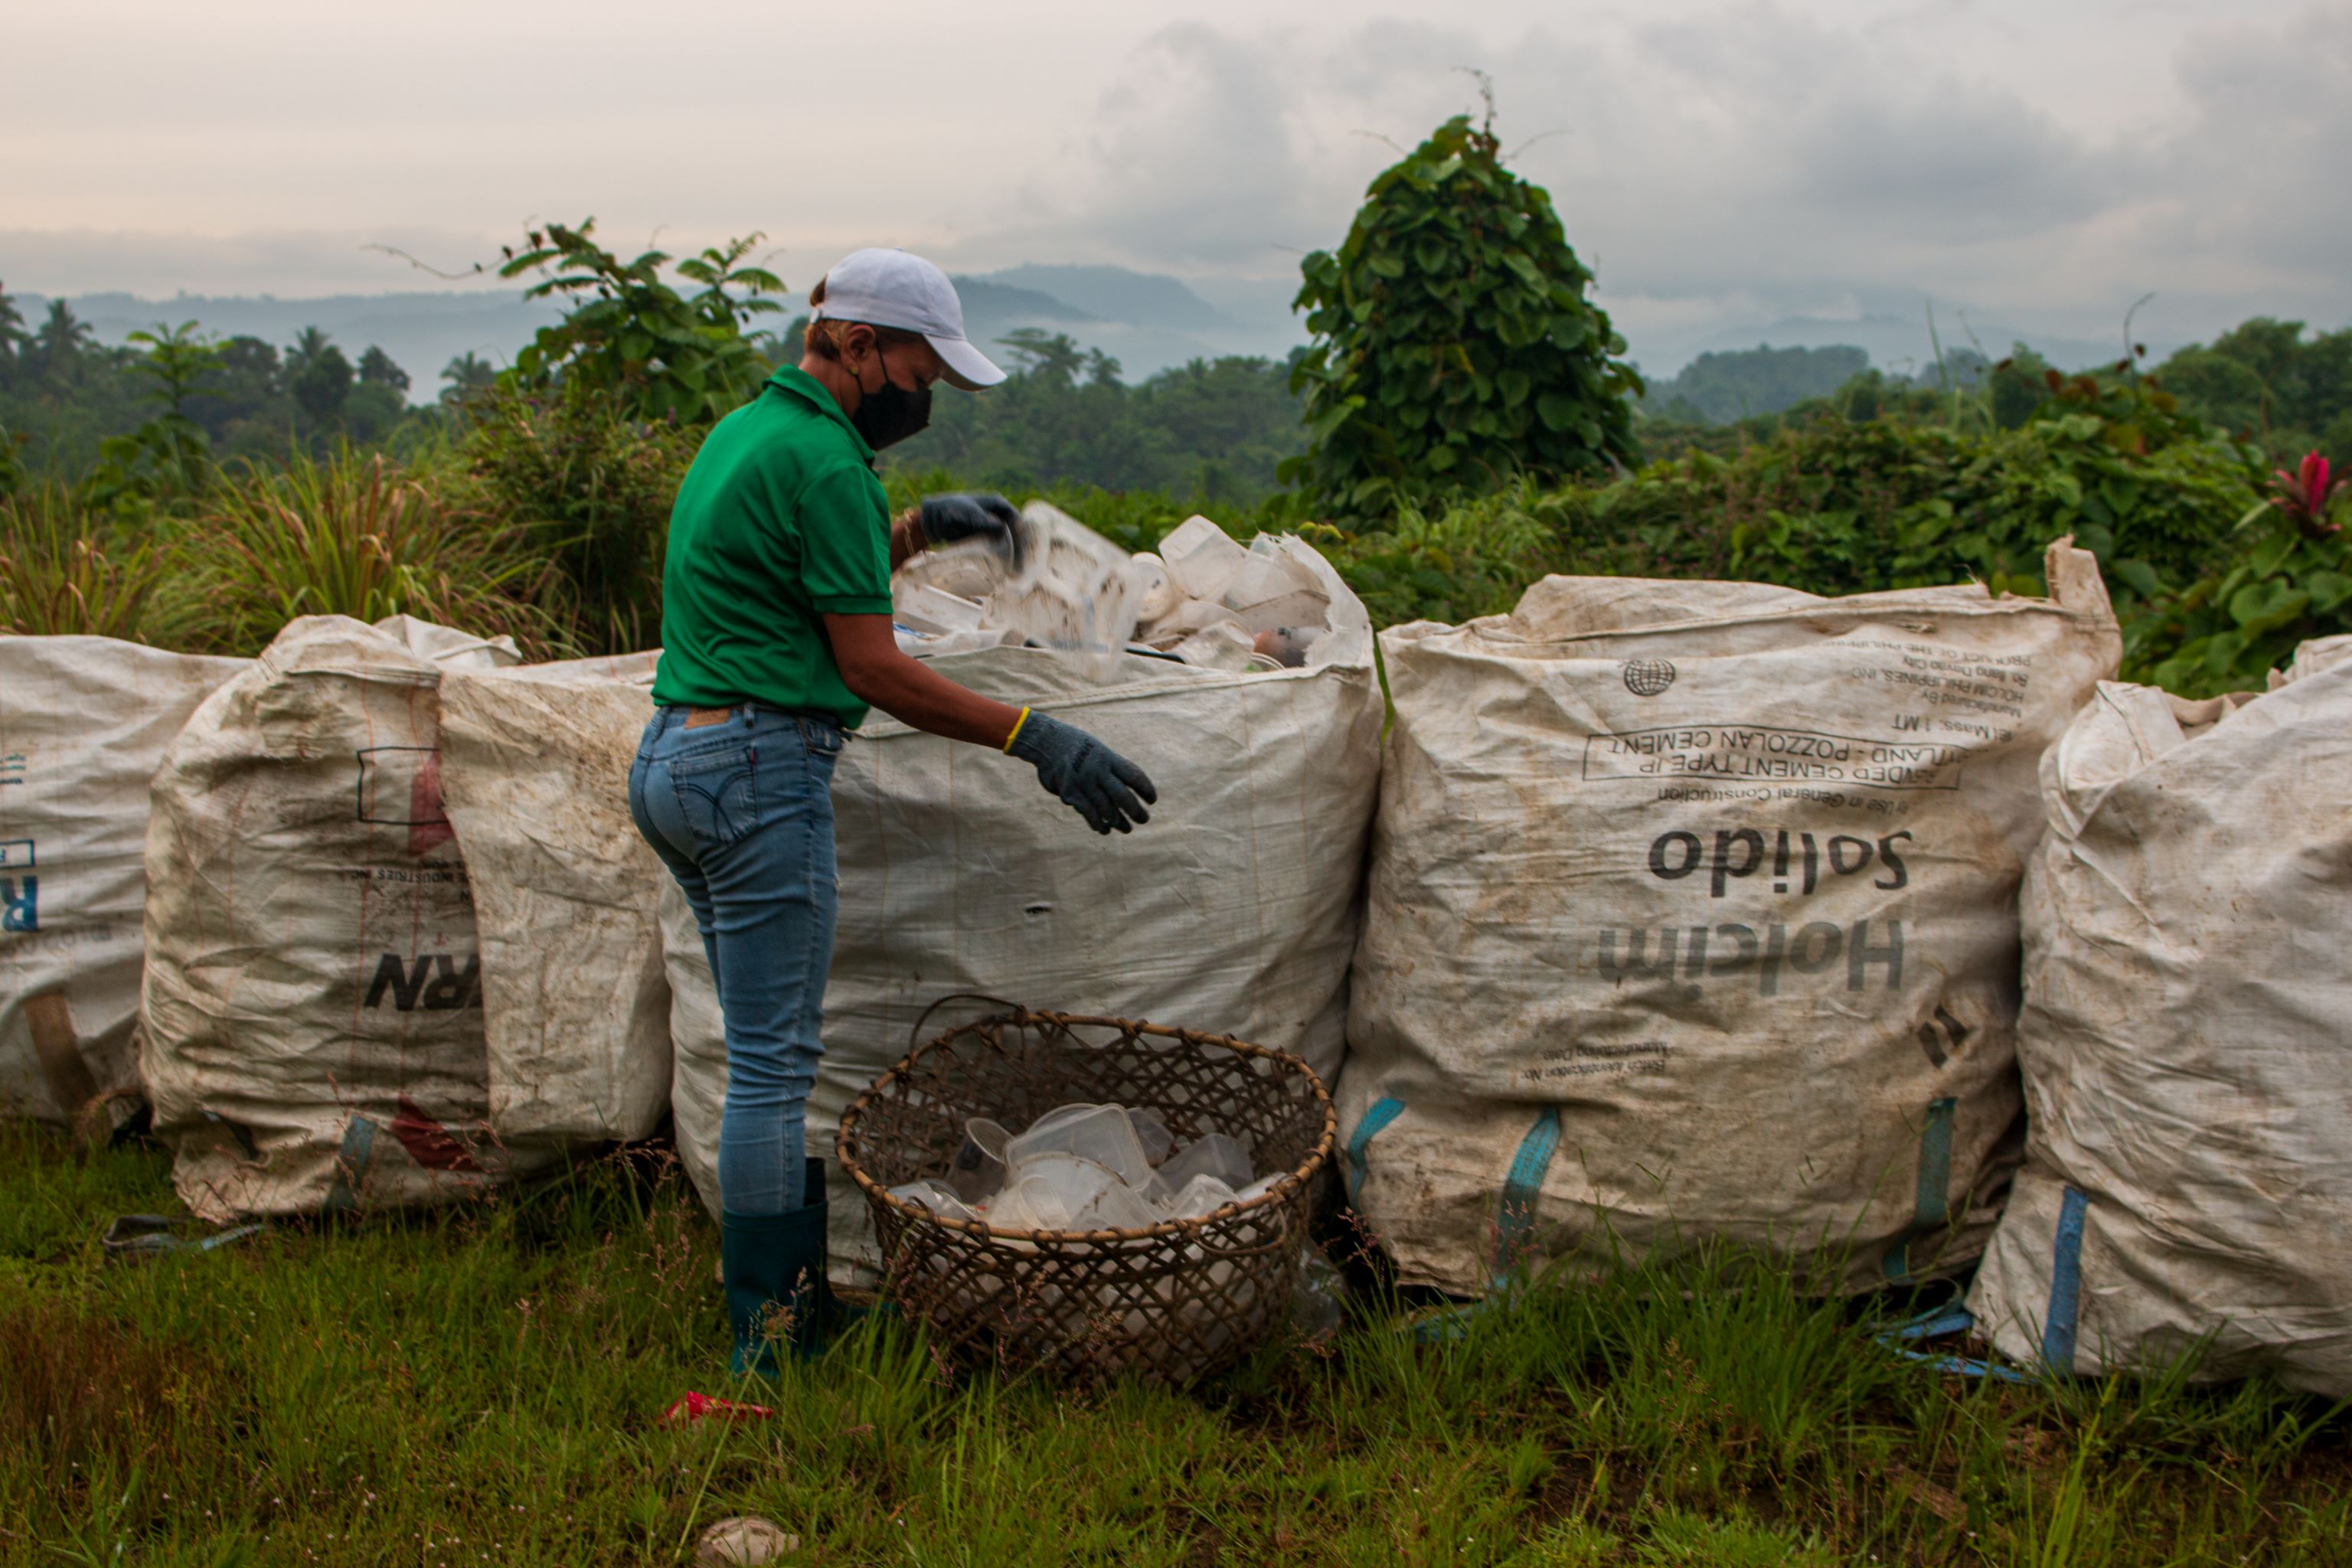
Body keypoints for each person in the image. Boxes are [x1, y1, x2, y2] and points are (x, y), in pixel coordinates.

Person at [627, 247, 1157, 1373]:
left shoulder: (749, 433)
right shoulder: (826, 463)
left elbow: (788, 575)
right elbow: (872, 667)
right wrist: (1034, 735)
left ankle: (794, 1307)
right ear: (860, 348)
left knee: (756, 1053)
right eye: (921, 371)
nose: (927, 399)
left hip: (677, 761)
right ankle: (770, 1342)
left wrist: (917, 530)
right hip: (760, 772)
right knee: (773, 1069)